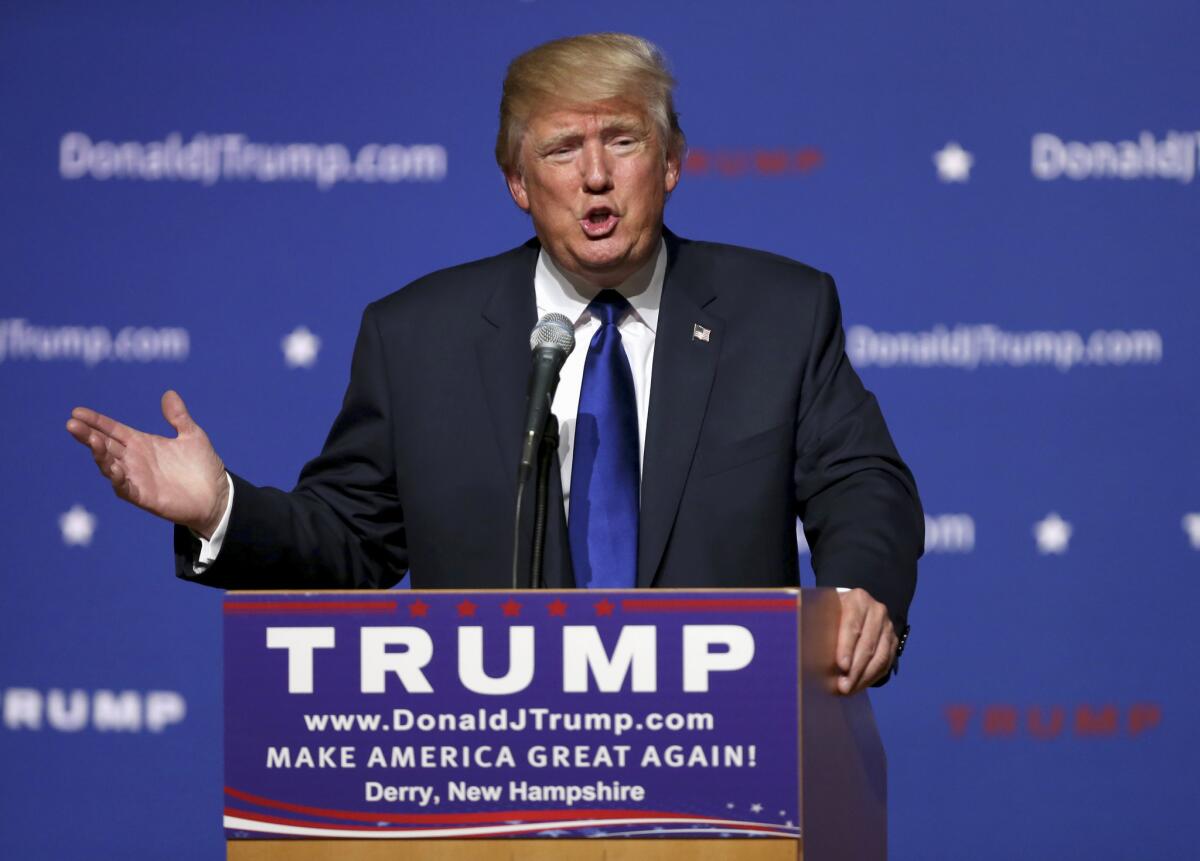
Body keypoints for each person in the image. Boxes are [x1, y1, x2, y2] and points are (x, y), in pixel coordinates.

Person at [66, 33, 922, 694]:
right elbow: (351, 541)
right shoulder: (417, 337)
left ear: (669, 164)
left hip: (725, 747)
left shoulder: (778, 311)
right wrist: (219, 508)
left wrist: (857, 592)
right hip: (495, 765)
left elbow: (863, 483)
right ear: (517, 180)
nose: (594, 177)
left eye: (621, 141)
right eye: (560, 150)